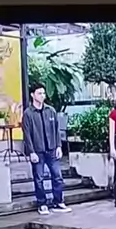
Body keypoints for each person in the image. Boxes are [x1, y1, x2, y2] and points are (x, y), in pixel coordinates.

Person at [22, 83, 71, 216]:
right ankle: (42, 203)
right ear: (32, 95)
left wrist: (59, 146)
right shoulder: (28, 113)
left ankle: (58, 201)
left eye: (43, 93)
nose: (42, 96)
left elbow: (56, 130)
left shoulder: (51, 110)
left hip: (52, 149)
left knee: (57, 176)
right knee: (39, 178)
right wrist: (31, 152)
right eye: (39, 93)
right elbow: (27, 135)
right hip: (37, 151)